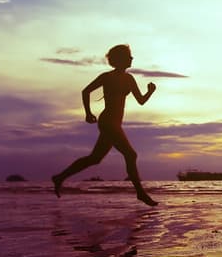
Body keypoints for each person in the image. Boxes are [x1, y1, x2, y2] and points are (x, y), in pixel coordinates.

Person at [52, 44, 158, 206]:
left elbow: (141, 101)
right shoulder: (106, 77)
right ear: (120, 59)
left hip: (115, 123)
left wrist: (150, 91)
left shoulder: (129, 79)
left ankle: (60, 177)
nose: (132, 59)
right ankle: (140, 193)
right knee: (131, 155)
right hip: (108, 122)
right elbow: (85, 91)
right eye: (129, 56)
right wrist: (88, 113)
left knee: (95, 159)